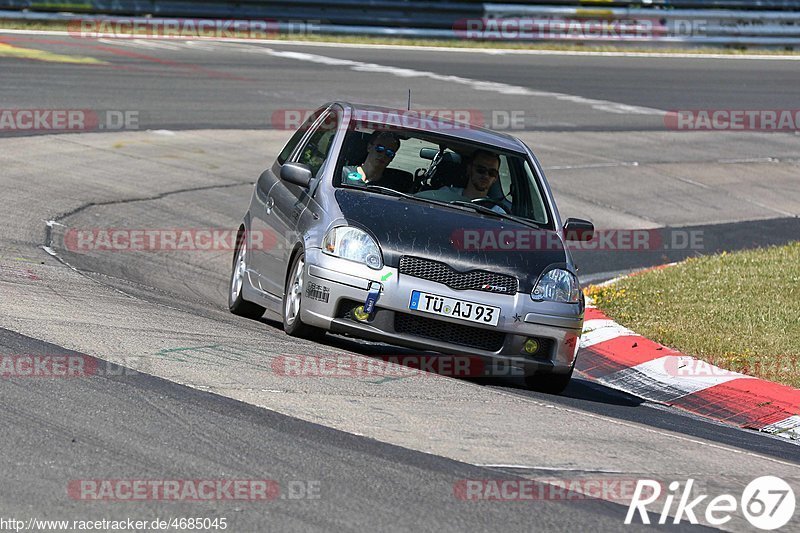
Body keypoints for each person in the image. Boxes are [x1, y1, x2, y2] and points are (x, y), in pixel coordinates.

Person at [416, 149, 507, 213]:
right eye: (481, 170)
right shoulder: (444, 195)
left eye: (492, 173)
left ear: (495, 178)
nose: (486, 176)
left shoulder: (497, 212)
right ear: (469, 169)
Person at [341, 131, 409, 191]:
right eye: (380, 149)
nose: (383, 155)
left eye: (389, 153)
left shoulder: (390, 189)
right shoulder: (343, 174)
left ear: (392, 158)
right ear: (369, 147)